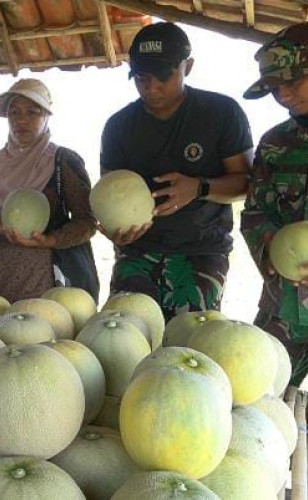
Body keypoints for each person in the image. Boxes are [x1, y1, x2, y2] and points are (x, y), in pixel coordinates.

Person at [100, 22, 253, 320]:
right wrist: (115, 228)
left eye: (163, 75)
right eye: (142, 77)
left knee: (189, 346)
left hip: (201, 251)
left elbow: (245, 183)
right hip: (137, 251)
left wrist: (199, 187)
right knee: (124, 339)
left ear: (188, 66)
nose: (151, 87)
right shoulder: (118, 126)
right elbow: (108, 190)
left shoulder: (221, 113)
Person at [0, 78, 98, 303]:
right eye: (14, 113)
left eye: (32, 112)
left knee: (44, 335)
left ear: (46, 117)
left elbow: (87, 222)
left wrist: (51, 239)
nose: (21, 120)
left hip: (49, 283)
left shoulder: (62, 161)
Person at [241, 23, 308, 387]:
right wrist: (272, 247)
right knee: (262, 408)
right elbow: (254, 212)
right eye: (273, 89)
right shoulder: (275, 143)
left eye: (292, 83)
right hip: (283, 306)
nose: (282, 95)